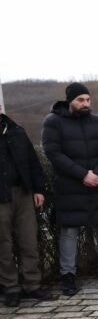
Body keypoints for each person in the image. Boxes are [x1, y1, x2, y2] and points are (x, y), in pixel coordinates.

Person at [42, 82, 98, 296]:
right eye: (80, 100)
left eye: (88, 100)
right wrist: (82, 175)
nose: (85, 103)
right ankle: (68, 275)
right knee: (69, 230)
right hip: (70, 185)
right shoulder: (53, 122)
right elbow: (53, 153)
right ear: (69, 101)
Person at [0, 113, 52, 306]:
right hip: (1, 197)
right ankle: (10, 287)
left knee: (28, 240)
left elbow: (33, 163)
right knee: (3, 245)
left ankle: (32, 284)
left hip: (23, 193)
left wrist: (38, 189)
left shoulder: (17, 131)